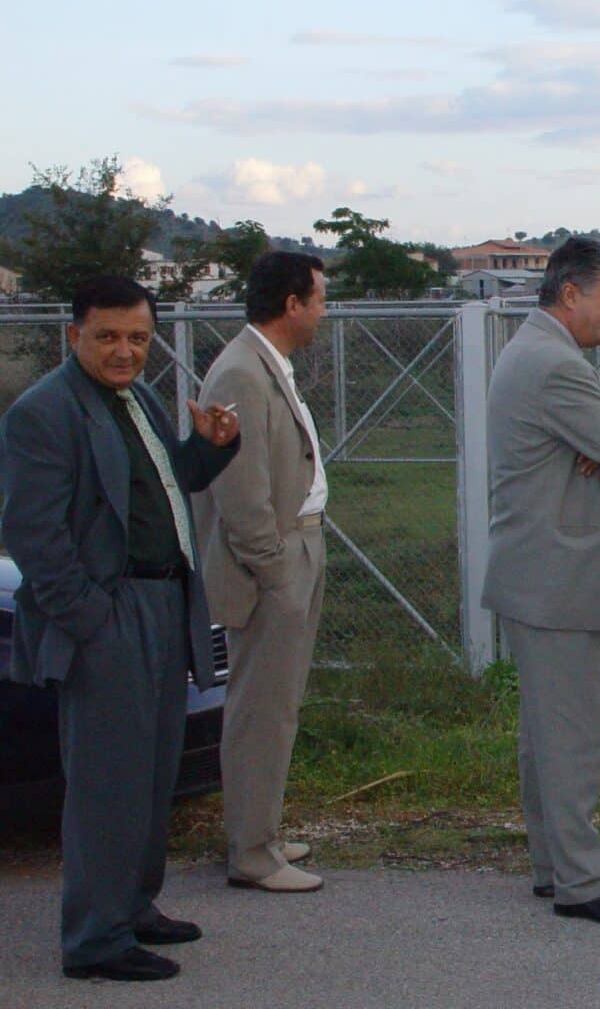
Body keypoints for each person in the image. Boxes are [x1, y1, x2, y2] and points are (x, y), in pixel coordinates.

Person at [0, 275, 240, 981]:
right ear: (73, 334)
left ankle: (132, 907)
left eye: (138, 337)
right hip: (109, 614)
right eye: (107, 336)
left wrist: (208, 448)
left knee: (152, 767)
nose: (124, 350)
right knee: (108, 779)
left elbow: (161, 491)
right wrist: (90, 619)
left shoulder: (132, 399)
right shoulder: (45, 411)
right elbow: (33, 532)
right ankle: (94, 940)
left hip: (165, 606)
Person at [481, 237, 600, 925]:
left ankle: (559, 864)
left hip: (539, 573)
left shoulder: (542, 353)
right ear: (571, 293)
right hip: (557, 575)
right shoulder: (557, 366)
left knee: (546, 734)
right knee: (572, 735)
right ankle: (581, 882)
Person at [193, 251, 328, 893]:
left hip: (298, 548)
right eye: (320, 299)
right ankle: (251, 853)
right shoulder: (242, 373)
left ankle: (264, 835)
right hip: (275, 559)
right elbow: (240, 492)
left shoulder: (266, 365)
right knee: (260, 709)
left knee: (281, 705)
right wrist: (276, 569)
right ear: (293, 304)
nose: (324, 312)